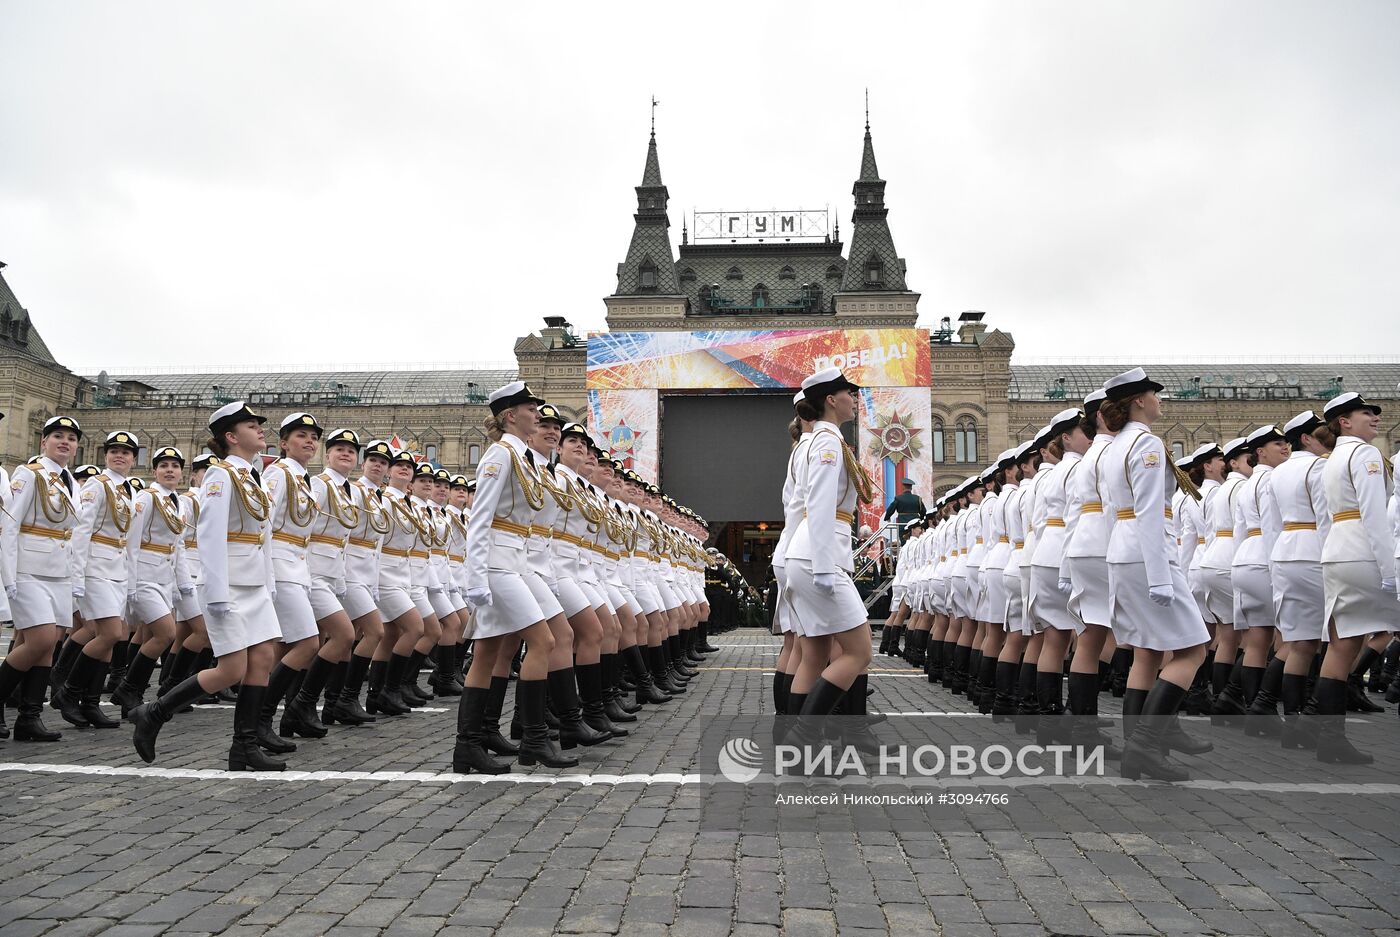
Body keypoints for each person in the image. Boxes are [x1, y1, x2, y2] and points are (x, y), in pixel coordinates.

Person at [130, 402, 285, 770]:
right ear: (231, 437)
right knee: (231, 669)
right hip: (228, 585)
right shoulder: (221, 476)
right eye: (251, 425)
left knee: (263, 658)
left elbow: (263, 536)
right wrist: (215, 596)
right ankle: (154, 712)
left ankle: (243, 747)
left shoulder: (253, 476)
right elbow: (211, 537)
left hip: (253, 584)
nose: (261, 429)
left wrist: (269, 584)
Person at [452, 381, 572, 773]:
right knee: (544, 641)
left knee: (488, 652)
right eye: (529, 407)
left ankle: (469, 744)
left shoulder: (525, 458)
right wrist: (475, 579)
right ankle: (533, 737)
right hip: (498, 563)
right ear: (509, 415)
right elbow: (480, 517)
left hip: (517, 560)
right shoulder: (500, 454)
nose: (537, 413)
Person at [1099, 369, 1210, 781]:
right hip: (1149, 554)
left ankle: (1138, 750)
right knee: (1193, 650)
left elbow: (1116, 511)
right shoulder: (1144, 443)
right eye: (1154, 394)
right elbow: (1148, 510)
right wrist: (1160, 574)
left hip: (1125, 552)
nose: (1160, 400)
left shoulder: (1113, 446)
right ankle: (1146, 745)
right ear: (1138, 401)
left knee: (1146, 652)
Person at [783, 367, 875, 720]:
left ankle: (797, 749)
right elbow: (819, 504)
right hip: (817, 556)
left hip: (809, 552)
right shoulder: (827, 442)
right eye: (849, 393)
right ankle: (803, 737)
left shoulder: (825, 440)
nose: (854, 399)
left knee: (816, 656)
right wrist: (823, 567)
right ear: (831, 400)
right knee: (859, 652)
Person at [1317, 392, 1396, 763]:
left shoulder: (1332, 459)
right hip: (1363, 551)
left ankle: (1329, 739)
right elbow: (1375, 517)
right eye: (1367, 413)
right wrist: (1389, 571)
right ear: (1344, 421)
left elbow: (1325, 516)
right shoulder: (1364, 455)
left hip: (1337, 551)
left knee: (1341, 645)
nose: (1375, 418)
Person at [0, 415, 83, 743]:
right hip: (29, 569)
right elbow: (10, 526)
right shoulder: (29, 474)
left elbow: (71, 534)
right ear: (43, 442)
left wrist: (74, 579)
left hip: (59, 572)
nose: (65, 442)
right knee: (41, 640)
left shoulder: (71, 482)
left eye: (72, 438)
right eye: (57, 436)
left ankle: (29, 717)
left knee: (45, 647)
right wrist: (8, 577)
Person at [54, 430, 142, 729]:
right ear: (105, 455)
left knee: (111, 635)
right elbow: (81, 532)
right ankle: (68, 692)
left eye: (127, 452)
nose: (120, 455)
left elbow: (129, 539)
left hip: (117, 570)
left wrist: (130, 582)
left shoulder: (129, 489)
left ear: (133, 459)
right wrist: (77, 576)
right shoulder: (97, 484)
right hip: (95, 568)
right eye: (114, 450)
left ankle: (90, 703)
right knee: (109, 634)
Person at [112, 446, 193, 717]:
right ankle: (127, 687)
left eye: (175, 466)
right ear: (154, 471)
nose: (170, 470)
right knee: (166, 633)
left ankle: (129, 691)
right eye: (164, 465)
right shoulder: (146, 498)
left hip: (163, 578)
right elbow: (132, 542)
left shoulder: (177, 501)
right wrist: (131, 585)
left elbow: (177, 546)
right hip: (144, 575)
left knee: (156, 635)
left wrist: (183, 585)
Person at [1268, 411, 1333, 748]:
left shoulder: (1278, 473)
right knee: (1335, 641)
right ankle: (1314, 716)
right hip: (1313, 552)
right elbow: (1325, 517)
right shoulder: (1318, 466)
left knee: (1301, 643)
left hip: (1285, 552)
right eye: (1320, 433)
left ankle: (1292, 724)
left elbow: (1273, 521)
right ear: (1306, 438)